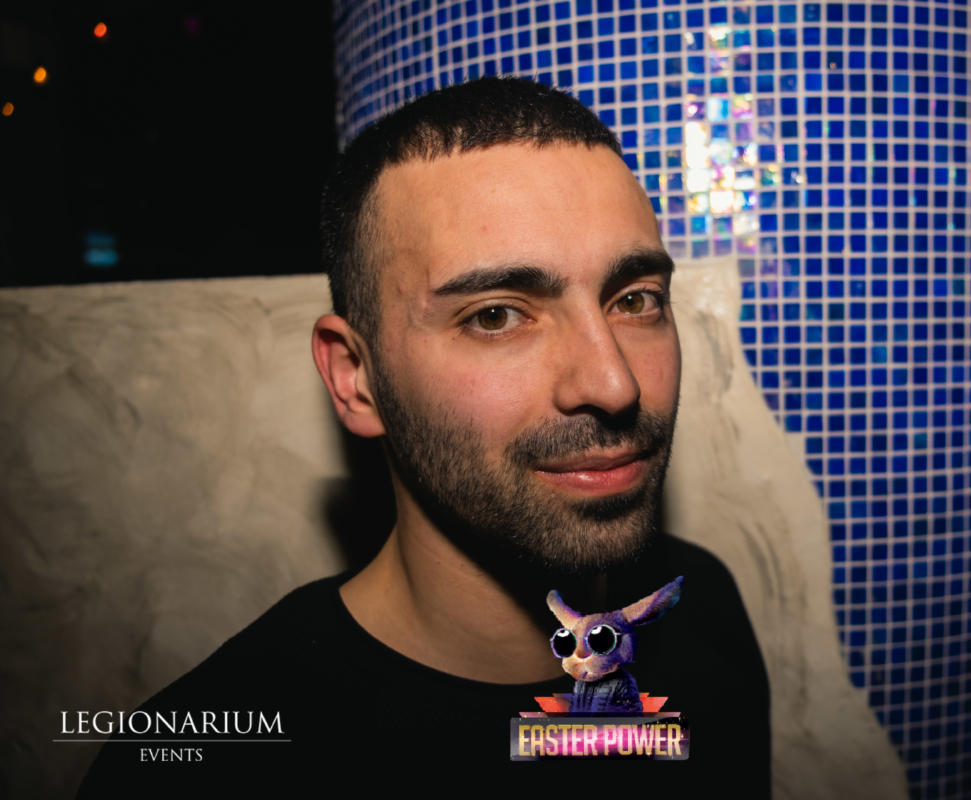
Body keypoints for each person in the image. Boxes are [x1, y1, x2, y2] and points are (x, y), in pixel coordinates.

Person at [79, 76, 769, 796]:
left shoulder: (702, 613)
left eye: (635, 300)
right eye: (496, 316)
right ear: (356, 379)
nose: (614, 383)